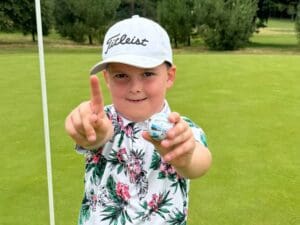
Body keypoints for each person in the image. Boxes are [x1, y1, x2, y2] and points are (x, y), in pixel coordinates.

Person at [65, 15, 212, 225]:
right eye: (121, 76)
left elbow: (200, 163)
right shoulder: (98, 121)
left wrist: (185, 158)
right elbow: (98, 136)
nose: (135, 87)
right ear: (107, 78)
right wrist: (92, 135)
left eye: (148, 74)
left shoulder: (181, 130)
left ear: (169, 76)